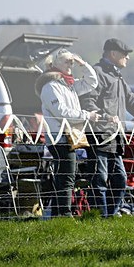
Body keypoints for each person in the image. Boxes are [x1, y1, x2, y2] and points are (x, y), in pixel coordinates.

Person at [80, 38, 134, 217]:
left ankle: (110, 215)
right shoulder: (97, 73)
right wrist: (104, 118)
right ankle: (100, 217)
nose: (127, 58)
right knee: (99, 180)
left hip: (115, 138)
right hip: (99, 137)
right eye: (125, 54)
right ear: (113, 54)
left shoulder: (117, 76)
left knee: (120, 180)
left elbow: (131, 100)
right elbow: (87, 101)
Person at [36, 49, 99, 218]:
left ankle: (58, 214)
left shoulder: (68, 84)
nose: (70, 64)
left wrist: (83, 64)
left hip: (68, 136)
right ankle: (64, 213)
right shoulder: (50, 86)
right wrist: (87, 115)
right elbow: (61, 112)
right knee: (67, 176)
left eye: (71, 62)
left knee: (64, 175)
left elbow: (92, 82)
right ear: (54, 64)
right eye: (66, 61)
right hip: (59, 137)